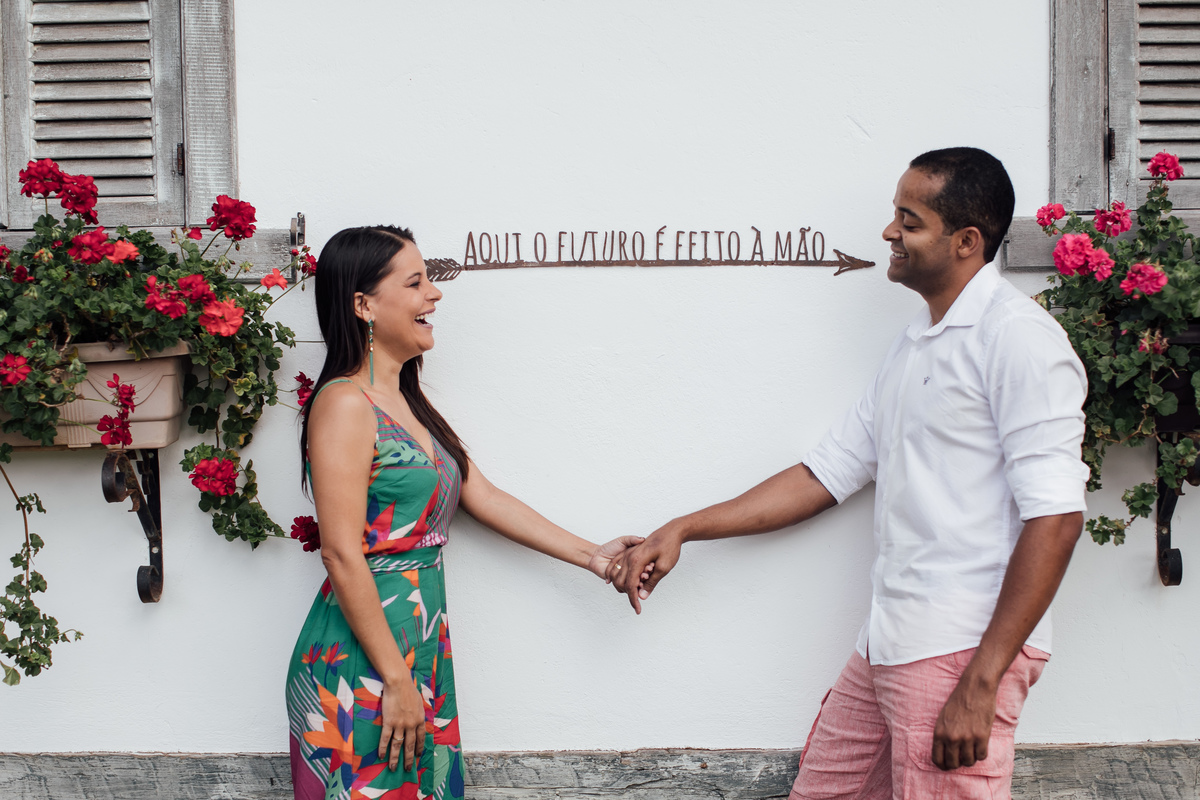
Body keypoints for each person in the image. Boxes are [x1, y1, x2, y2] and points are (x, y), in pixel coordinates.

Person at [608, 147, 1089, 799]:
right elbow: (823, 474)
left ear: (967, 242)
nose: (889, 232)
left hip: (960, 648)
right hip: (893, 638)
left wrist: (983, 680)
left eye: (909, 220)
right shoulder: (916, 345)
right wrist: (685, 528)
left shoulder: (1019, 342)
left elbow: (1056, 518)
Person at [285, 226, 645, 800]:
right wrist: (396, 679)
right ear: (363, 305)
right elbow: (340, 551)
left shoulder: (407, 405)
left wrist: (597, 559)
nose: (435, 294)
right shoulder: (344, 405)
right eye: (416, 281)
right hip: (364, 660)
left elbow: (488, 498)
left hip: (419, 647)